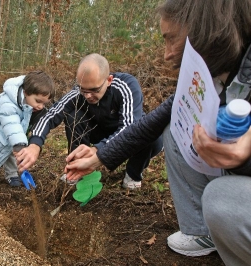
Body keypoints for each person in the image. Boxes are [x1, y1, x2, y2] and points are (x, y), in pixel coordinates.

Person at [64, 0, 251, 264]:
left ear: (207, 30)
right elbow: (150, 123)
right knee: (178, 126)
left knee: (220, 200)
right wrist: (98, 157)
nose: (166, 54)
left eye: (171, 39)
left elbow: (131, 120)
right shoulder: (215, 75)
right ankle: (202, 233)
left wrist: (244, 155)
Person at [16, 53, 163, 189]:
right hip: (97, 131)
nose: (87, 96)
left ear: (109, 80)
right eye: (83, 90)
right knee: (73, 116)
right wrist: (35, 144)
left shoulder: (125, 86)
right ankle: (76, 169)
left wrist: (98, 149)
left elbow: (129, 127)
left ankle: (133, 174)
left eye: (94, 90)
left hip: (126, 139)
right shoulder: (79, 92)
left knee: (150, 132)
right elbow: (51, 114)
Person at [0, 71, 55, 188]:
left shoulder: (27, 102)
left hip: (7, 132)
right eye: (38, 101)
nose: (40, 106)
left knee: (12, 154)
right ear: (26, 92)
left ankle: (12, 174)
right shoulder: (9, 103)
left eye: (44, 103)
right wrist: (19, 144)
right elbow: (11, 123)